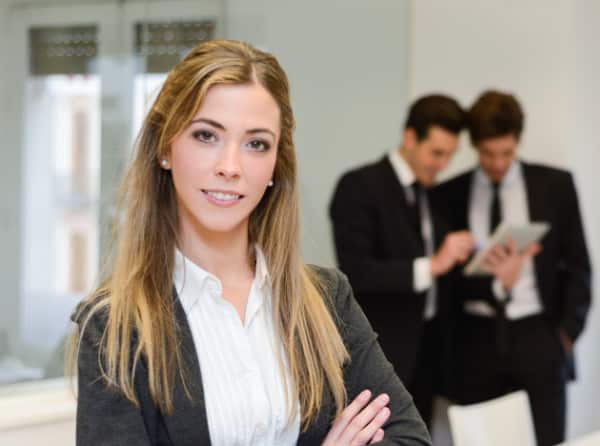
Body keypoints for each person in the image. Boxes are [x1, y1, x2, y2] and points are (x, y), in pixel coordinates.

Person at [68, 40, 431, 446]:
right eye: (206, 135)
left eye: (256, 143)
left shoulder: (328, 301)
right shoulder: (114, 327)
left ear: (276, 164)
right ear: (165, 149)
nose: (230, 167)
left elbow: (410, 439)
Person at [439, 90, 592, 446]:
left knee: (547, 438)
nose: (497, 163)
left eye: (506, 153)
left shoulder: (555, 185)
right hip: (474, 339)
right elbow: (447, 280)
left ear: (518, 142)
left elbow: (579, 265)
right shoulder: (450, 193)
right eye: (488, 154)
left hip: (538, 335)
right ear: (475, 146)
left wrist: (565, 336)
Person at [329, 95, 475, 428]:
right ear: (410, 138)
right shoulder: (359, 186)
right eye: (436, 153)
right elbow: (357, 272)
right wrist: (433, 265)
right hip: (380, 353)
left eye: (450, 156)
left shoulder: (434, 194)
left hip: (428, 351)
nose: (442, 165)